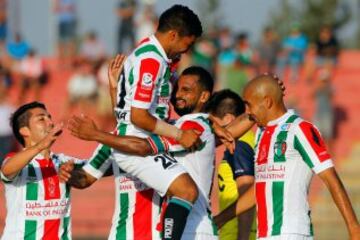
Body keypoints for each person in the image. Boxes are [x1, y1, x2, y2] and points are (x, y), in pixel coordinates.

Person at [61, 66, 222, 239]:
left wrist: (96, 134)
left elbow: (142, 145)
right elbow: (86, 177)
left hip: (172, 232)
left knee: (185, 190)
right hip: (123, 235)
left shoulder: (172, 132)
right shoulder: (117, 140)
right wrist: (67, 173)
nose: (176, 96)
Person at [215, 74, 360, 240]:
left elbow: (330, 179)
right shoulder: (261, 134)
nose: (248, 112)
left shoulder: (300, 129)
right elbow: (262, 187)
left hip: (292, 233)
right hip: (265, 235)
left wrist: (354, 228)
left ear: (267, 102)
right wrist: (220, 219)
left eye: (249, 105)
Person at [0, 102, 84, 239]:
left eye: (49, 117)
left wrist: (97, 136)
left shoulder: (64, 162)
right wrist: (41, 146)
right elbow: (6, 170)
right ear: (24, 131)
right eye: (41, 119)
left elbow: (100, 167)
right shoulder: (16, 161)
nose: (50, 122)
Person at [205, 89, 256, 240]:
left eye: (212, 122)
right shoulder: (243, 142)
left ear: (227, 118)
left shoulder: (239, 145)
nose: (211, 128)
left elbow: (248, 193)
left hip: (236, 235)